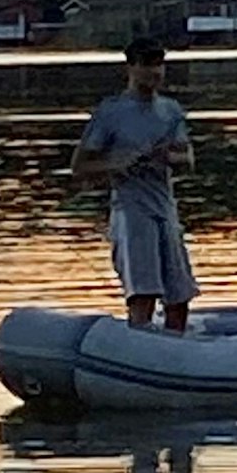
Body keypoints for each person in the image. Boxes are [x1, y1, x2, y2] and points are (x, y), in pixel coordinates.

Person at [71, 36, 199, 331]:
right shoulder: (111, 112)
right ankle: (138, 341)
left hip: (165, 210)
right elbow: (80, 166)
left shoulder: (171, 110)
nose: (154, 72)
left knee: (179, 296)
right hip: (131, 212)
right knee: (143, 294)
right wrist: (119, 164)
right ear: (130, 68)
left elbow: (187, 159)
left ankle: (175, 353)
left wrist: (169, 157)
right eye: (146, 65)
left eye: (159, 65)